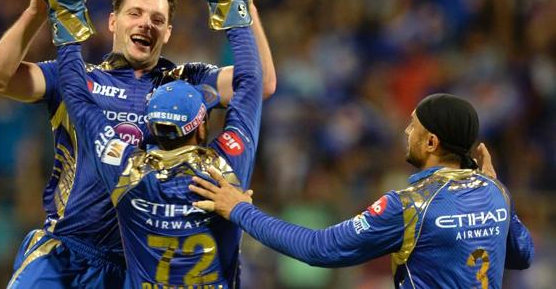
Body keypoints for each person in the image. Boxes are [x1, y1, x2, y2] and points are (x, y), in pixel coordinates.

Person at [0, 0, 275, 289]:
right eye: (135, 13)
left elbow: (261, 83)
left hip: (132, 268)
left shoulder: (185, 85)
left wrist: (246, 6)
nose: (145, 24)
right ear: (112, 22)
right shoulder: (79, 78)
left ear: (167, 33)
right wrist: (37, 11)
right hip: (65, 254)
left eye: (157, 19)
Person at [190, 94, 534, 288]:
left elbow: (319, 249)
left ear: (431, 141)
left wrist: (239, 210)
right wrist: (502, 194)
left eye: (414, 125)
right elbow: (522, 256)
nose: (406, 130)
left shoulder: (410, 207)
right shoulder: (493, 192)